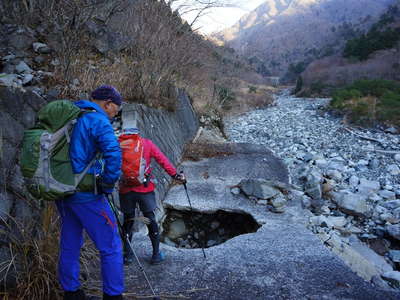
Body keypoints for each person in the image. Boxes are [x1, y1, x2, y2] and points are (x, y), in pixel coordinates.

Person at [56, 85, 124, 300]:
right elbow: (113, 154)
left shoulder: (73, 115)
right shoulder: (98, 120)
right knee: (111, 245)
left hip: (62, 190)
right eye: (116, 109)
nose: (115, 113)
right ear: (108, 103)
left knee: (70, 243)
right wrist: (107, 183)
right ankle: (113, 295)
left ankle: (72, 293)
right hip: (87, 195)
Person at [119, 127, 185, 265]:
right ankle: (155, 255)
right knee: (150, 219)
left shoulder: (117, 145)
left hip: (126, 190)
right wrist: (175, 175)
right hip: (144, 189)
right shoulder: (146, 143)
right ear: (137, 133)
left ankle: (128, 256)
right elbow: (163, 160)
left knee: (128, 220)